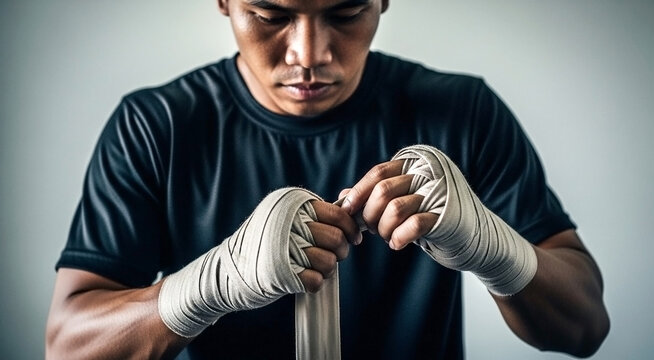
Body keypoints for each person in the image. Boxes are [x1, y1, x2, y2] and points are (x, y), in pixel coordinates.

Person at [45, 0, 610, 359]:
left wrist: (494, 249)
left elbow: (585, 329)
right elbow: (68, 348)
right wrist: (209, 285)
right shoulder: (157, 125)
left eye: (345, 12)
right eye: (270, 13)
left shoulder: (461, 112)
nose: (308, 54)